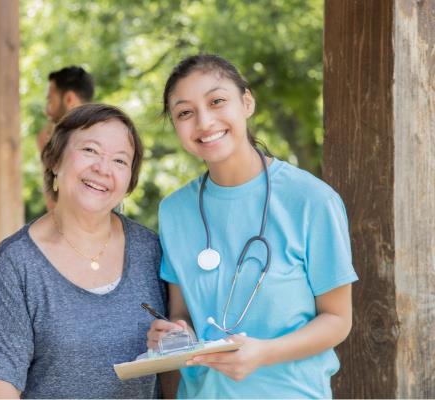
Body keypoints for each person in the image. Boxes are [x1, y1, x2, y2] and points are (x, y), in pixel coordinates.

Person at [146, 54, 359, 398]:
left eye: (217, 101)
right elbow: (183, 314)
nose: (204, 121)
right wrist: (173, 335)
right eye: (185, 112)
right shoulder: (174, 211)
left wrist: (263, 353)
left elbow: (337, 320)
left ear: (246, 102)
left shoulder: (312, 201)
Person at [0, 103, 167, 398]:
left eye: (120, 160)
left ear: (129, 181)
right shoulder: (16, 261)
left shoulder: (151, 250)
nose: (102, 168)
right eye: (90, 150)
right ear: (55, 160)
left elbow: (176, 366)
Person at [37, 66, 95, 210]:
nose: (47, 110)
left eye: (51, 101)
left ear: (69, 99)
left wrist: (48, 154)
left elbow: (56, 209)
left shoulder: (82, 144)